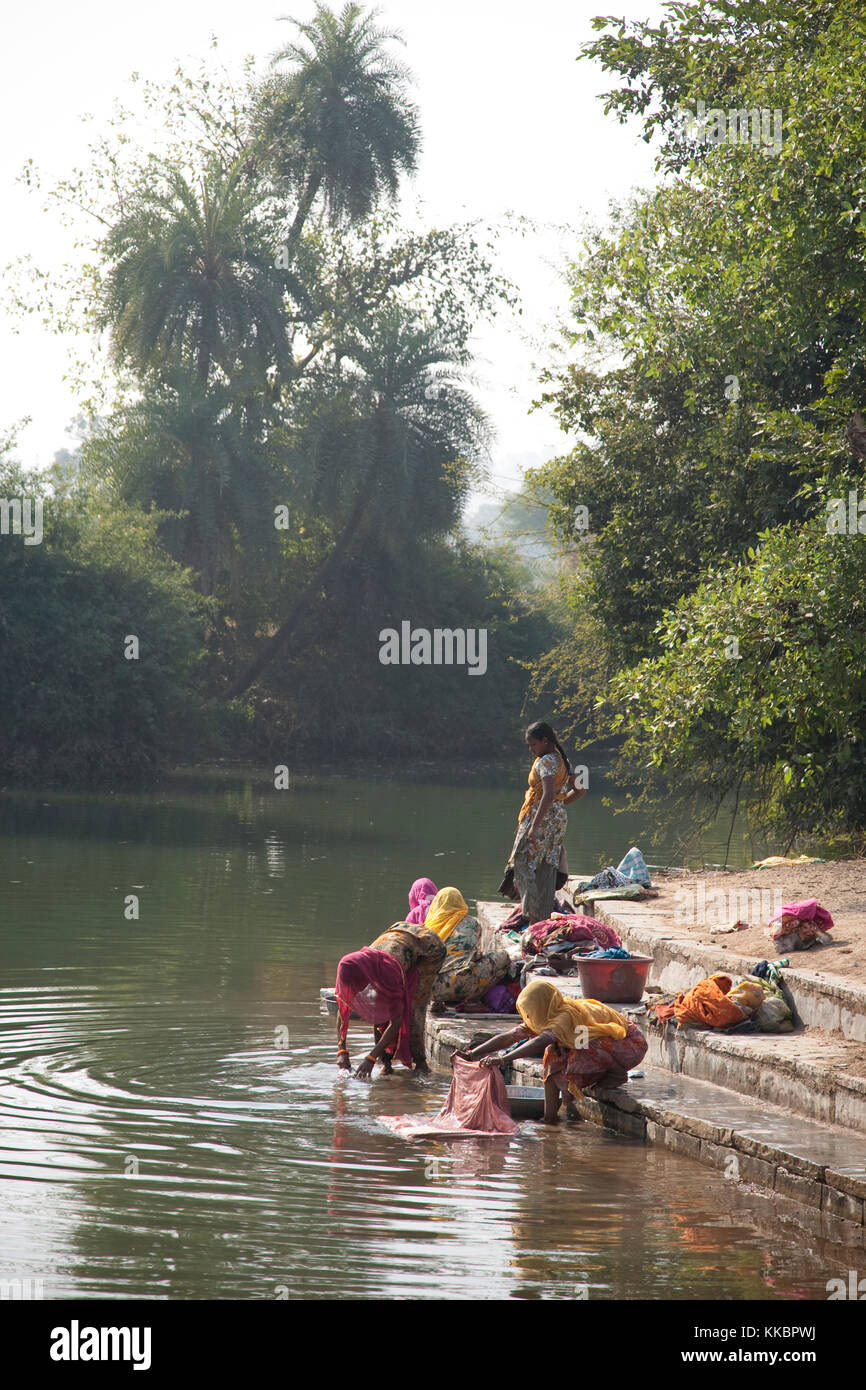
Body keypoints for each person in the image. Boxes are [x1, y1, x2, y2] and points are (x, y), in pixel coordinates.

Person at [454, 979, 647, 1124]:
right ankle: (550, 1117)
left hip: (630, 1045)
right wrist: (472, 1054)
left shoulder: (564, 1015)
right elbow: (509, 1037)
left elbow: (542, 1040)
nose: (529, 1014)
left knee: (578, 1054)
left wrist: (504, 1059)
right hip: (599, 1042)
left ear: (541, 1004)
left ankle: (616, 1073)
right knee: (552, 1055)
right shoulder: (547, 1013)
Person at [334, 923, 445, 1079]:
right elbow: (342, 1008)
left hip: (429, 947)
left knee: (412, 1006)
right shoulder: (356, 964)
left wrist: (370, 1058)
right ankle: (385, 1062)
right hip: (401, 935)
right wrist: (341, 1051)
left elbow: (396, 1021)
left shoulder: (388, 973)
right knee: (379, 1005)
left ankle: (421, 1064)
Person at [505, 721, 574, 924]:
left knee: (522, 861)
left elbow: (548, 794)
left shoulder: (544, 762)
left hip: (539, 818)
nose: (531, 749)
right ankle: (541, 921)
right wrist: (558, 806)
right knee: (546, 866)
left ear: (545, 741)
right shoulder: (564, 761)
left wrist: (534, 827)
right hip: (558, 819)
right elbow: (581, 791)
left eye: (533, 744)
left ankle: (534, 913)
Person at [423, 886, 510, 1009]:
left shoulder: (427, 928)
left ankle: (436, 1002)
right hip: (464, 985)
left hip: (432, 989)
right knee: (503, 956)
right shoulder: (471, 924)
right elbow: (473, 955)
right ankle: (473, 1001)